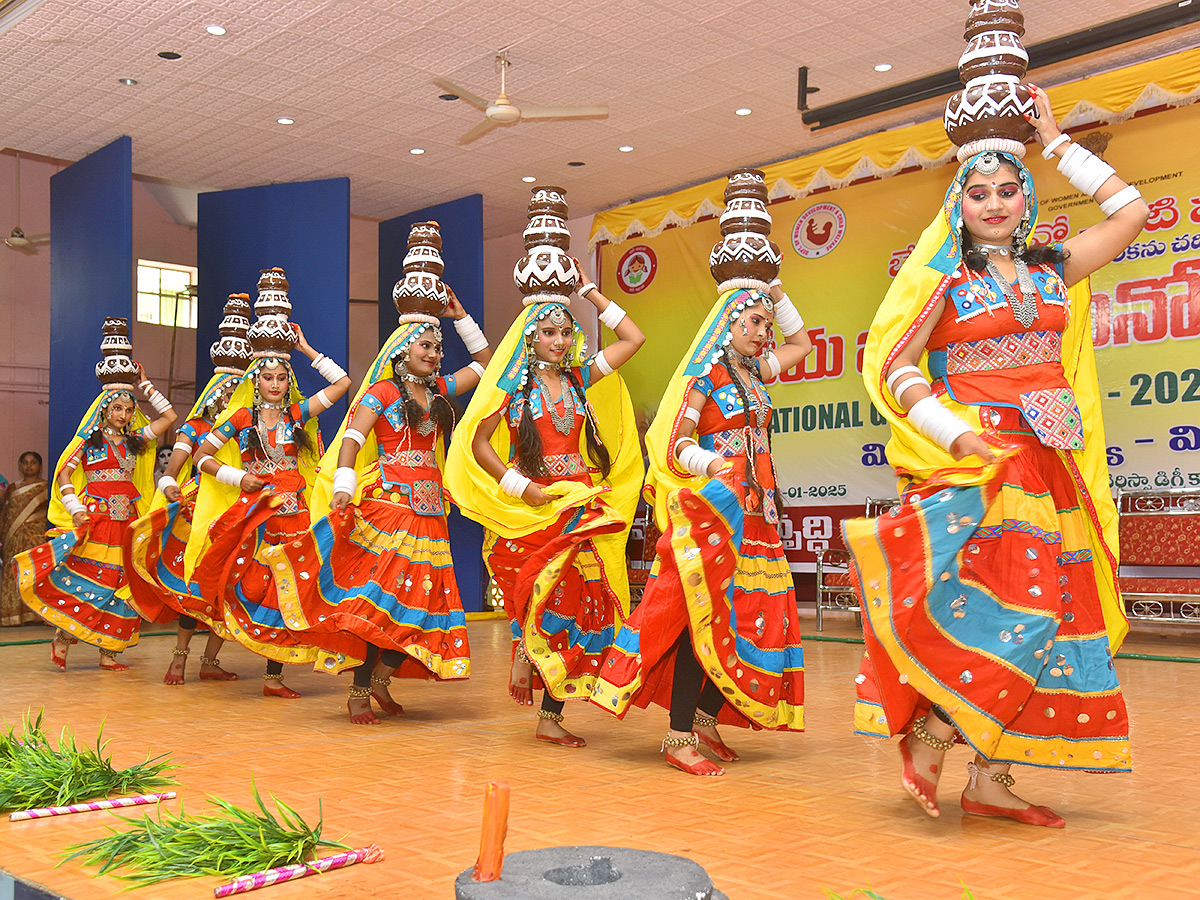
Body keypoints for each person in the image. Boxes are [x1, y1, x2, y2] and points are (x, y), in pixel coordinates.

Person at [846, 86, 1149, 826]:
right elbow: (894, 366)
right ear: (959, 201)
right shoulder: (944, 280)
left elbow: (1133, 212)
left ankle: (988, 778)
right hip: (988, 467)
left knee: (1061, 613)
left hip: (1052, 467)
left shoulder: (1054, 269)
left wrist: (1055, 141)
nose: (993, 203)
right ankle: (933, 730)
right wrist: (954, 434)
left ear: (1026, 196)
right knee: (1014, 613)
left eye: (1007, 189)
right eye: (977, 192)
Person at [590, 280, 812, 776]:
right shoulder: (706, 375)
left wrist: (777, 293)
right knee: (701, 618)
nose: (763, 332)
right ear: (726, 324)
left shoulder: (756, 373)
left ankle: (708, 718)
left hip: (759, 512)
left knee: (747, 616)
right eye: (752, 321)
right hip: (721, 510)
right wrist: (713, 465)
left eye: (766, 324)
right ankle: (677, 734)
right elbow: (673, 445)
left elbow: (803, 345)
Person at [270, 280, 492, 724]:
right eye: (425, 345)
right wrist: (344, 486)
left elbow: (488, 365)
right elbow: (352, 438)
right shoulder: (383, 392)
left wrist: (461, 316)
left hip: (431, 512)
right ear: (403, 349)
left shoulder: (440, 390)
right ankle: (358, 689)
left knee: (424, 605)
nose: (433, 353)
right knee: (382, 603)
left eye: (437, 346)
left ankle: (380, 681)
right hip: (392, 508)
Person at [445, 267, 645, 748]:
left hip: (579, 503)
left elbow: (633, 338)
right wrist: (520, 488)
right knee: (540, 594)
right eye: (549, 332)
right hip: (532, 507)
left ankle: (549, 713)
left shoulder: (580, 379)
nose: (559, 340)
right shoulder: (515, 388)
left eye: (565, 331)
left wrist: (588, 291)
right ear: (530, 339)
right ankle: (527, 657)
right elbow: (477, 442)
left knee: (580, 603)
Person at [190, 309, 352, 698]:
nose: (275, 384)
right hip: (259, 515)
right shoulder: (242, 418)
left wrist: (308, 350)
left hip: (295, 514)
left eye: (282, 378)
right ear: (255, 379)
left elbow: (343, 383)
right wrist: (238, 477)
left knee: (291, 587)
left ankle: (273, 675)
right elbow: (202, 456)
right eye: (268, 377)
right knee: (256, 585)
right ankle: (213, 658)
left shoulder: (297, 414)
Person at [16, 318, 177, 669]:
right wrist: (74, 508)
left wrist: (145, 385)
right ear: (104, 409)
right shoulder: (90, 442)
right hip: (97, 520)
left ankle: (109, 652)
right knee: (91, 581)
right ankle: (62, 638)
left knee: (124, 586)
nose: (124, 414)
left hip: (127, 522)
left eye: (129, 409)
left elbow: (169, 417)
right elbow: (63, 475)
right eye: (118, 408)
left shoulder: (136, 442)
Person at [125, 294, 253, 684]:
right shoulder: (196, 428)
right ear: (215, 395)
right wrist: (167, 486)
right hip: (202, 511)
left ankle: (210, 660)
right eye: (226, 393)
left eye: (237, 392)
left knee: (231, 587)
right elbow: (173, 468)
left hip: (243, 510)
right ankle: (179, 658)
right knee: (196, 586)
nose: (231, 398)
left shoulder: (252, 425)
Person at [0, 452, 50, 627]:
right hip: (13, 538)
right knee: (13, 573)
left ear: (40, 466)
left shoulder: (46, 487)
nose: (29, 466)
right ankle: (12, 616)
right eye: (25, 463)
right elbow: (5, 514)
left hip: (35, 538)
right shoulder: (13, 488)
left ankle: (35, 614)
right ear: (20, 466)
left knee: (35, 573)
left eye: (33, 462)